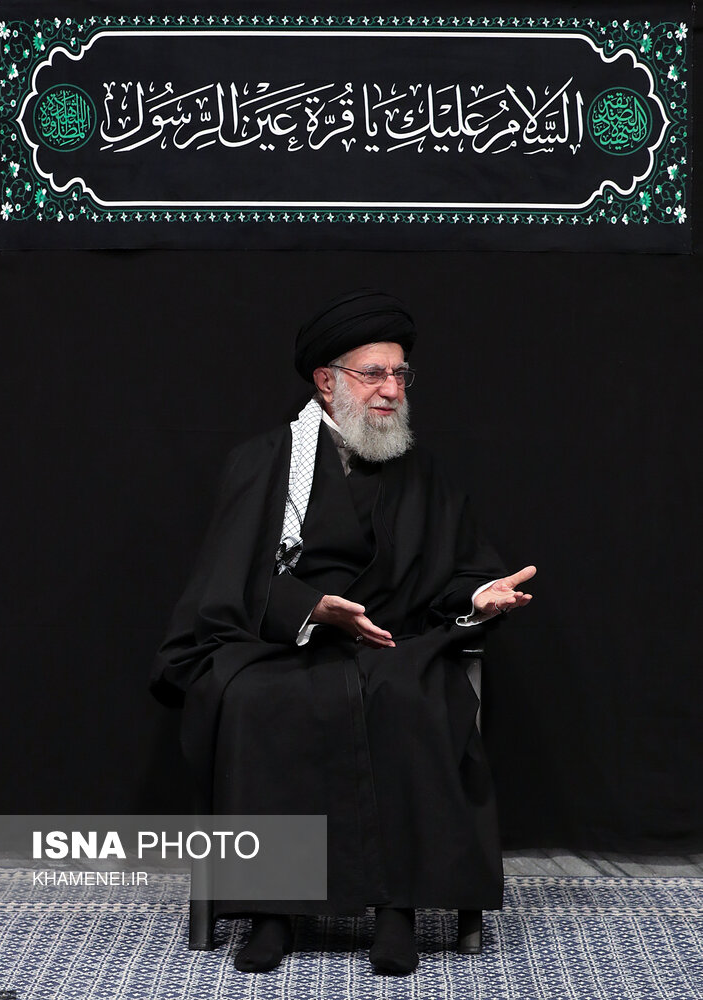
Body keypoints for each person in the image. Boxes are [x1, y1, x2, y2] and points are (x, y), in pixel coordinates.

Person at [150, 289, 535, 975]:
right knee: (258, 700)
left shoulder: (423, 472)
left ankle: (397, 909)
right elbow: (229, 582)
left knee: (409, 696)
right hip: (284, 641)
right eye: (373, 374)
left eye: (400, 374)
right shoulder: (264, 461)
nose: (391, 389)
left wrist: (480, 596)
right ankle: (272, 912)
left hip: (394, 641)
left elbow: (456, 573)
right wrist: (310, 608)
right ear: (326, 382)